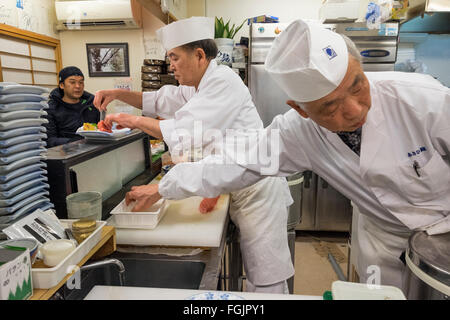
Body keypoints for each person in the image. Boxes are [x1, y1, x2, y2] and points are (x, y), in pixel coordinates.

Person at [125, 19, 450, 293]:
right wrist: (163, 186)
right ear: (301, 110)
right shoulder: (298, 132)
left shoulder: (423, 99)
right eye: (329, 107)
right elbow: (236, 161)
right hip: (383, 241)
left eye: (357, 85)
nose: (354, 110)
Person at [94, 17, 295, 294]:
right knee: (256, 272)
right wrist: (117, 93)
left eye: (175, 58)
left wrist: (134, 121)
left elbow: (185, 130)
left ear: (199, 55)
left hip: (257, 191)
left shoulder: (223, 82)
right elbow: (160, 100)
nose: (171, 65)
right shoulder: (197, 86)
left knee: (266, 278)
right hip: (235, 182)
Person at [44, 66, 99, 147]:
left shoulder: (91, 104)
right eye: (72, 82)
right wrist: (74, 142)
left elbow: (100, 128)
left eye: (81, 82)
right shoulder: (51, 108)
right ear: (62, 85)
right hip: (66, 153)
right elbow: (49, 140)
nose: (78, 86)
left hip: (94, 149)